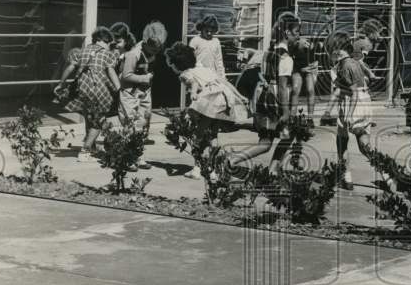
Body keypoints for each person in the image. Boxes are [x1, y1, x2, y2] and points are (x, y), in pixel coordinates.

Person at [166, 42, 249, 179]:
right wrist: (240, 96)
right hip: (223, 101)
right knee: (213, 135)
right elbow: (225, 83)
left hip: (211, 102)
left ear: (177, 65)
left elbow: (194, 83)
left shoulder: (185, 73)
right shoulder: (205, 69)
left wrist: (193, 94)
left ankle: (197, 169)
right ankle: (213, 170)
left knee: (198, 136)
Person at [228, 38, 295, 175]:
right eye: (296, 33)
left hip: (263, 97)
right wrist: (286, 111)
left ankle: (269, 169)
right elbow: (282, 87)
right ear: (287, 34)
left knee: (272, 140)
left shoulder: (266, 53)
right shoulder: (286, 58)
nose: (298, 37)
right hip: (275, 100)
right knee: (275, 139)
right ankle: (234, 160)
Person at [59, 26, 122, 162]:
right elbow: (111, 72)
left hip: (83, 90)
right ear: (100, 40)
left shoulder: (82, 51)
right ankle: (85, 150)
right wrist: (118, 88)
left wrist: (61, 84)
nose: (107, 45)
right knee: (98, 121)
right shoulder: (107, 54)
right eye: (107, 42)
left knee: (89, 118)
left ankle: (92, 147)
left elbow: (70, 67)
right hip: (99, 91)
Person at [334, 40, 376, 190]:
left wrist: (350, 115)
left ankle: (347, 177)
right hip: (365, 102)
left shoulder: (344, 66)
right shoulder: (356, 62)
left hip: (352, 103)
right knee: (364, 145)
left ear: (341, 51)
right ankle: (387, 174)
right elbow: (367, 77)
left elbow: (353, 93)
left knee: (341, 141)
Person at [118, 36, 162, 149]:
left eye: (157, 50)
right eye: (153, 50)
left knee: (144, 118)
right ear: (146, 45)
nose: (155, 53)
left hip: (144, 91)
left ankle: (139, 144)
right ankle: (129, 149)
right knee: (131, 120)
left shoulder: (151, 54)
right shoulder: (133, 54)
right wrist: (144, 78)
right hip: (130, 92)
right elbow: (126, 76)